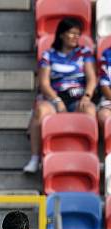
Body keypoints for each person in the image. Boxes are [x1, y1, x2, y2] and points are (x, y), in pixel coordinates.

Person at [24, 17, 96, 174]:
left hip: (78, 97)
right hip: (55, 96)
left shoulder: (84, 53)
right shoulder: (48, 55)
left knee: (90, 110)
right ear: (62, 34)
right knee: (41, 111)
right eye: (72, 33)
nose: (76, 37)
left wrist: (87, 96)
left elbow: (91, 79)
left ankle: (90, 157)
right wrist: (56, 100)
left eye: (78, 34)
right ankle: (35, 159)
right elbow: (44, 83)